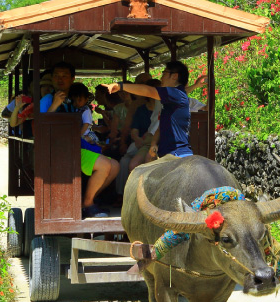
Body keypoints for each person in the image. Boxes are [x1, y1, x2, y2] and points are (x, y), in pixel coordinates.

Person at [107, 60, 192, 159]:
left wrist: (120, 86)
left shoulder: (176, 93)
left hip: (176, 154)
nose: (161, 78)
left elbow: (148, 91)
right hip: (168, 153)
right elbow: (161, 127)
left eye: (164, 73)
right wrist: (154, 144)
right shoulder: (171, 100)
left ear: (174, 76)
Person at [67, 82, 119, 218]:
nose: (78, 102)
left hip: (81, 142)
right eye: (75, 99)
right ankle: (88, 203)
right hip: (73, 146)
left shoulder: (84, 110)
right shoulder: (68, 108)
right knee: (106, 165)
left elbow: (87, 124)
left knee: (115, 166)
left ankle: (88, 199)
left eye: (80, 98)